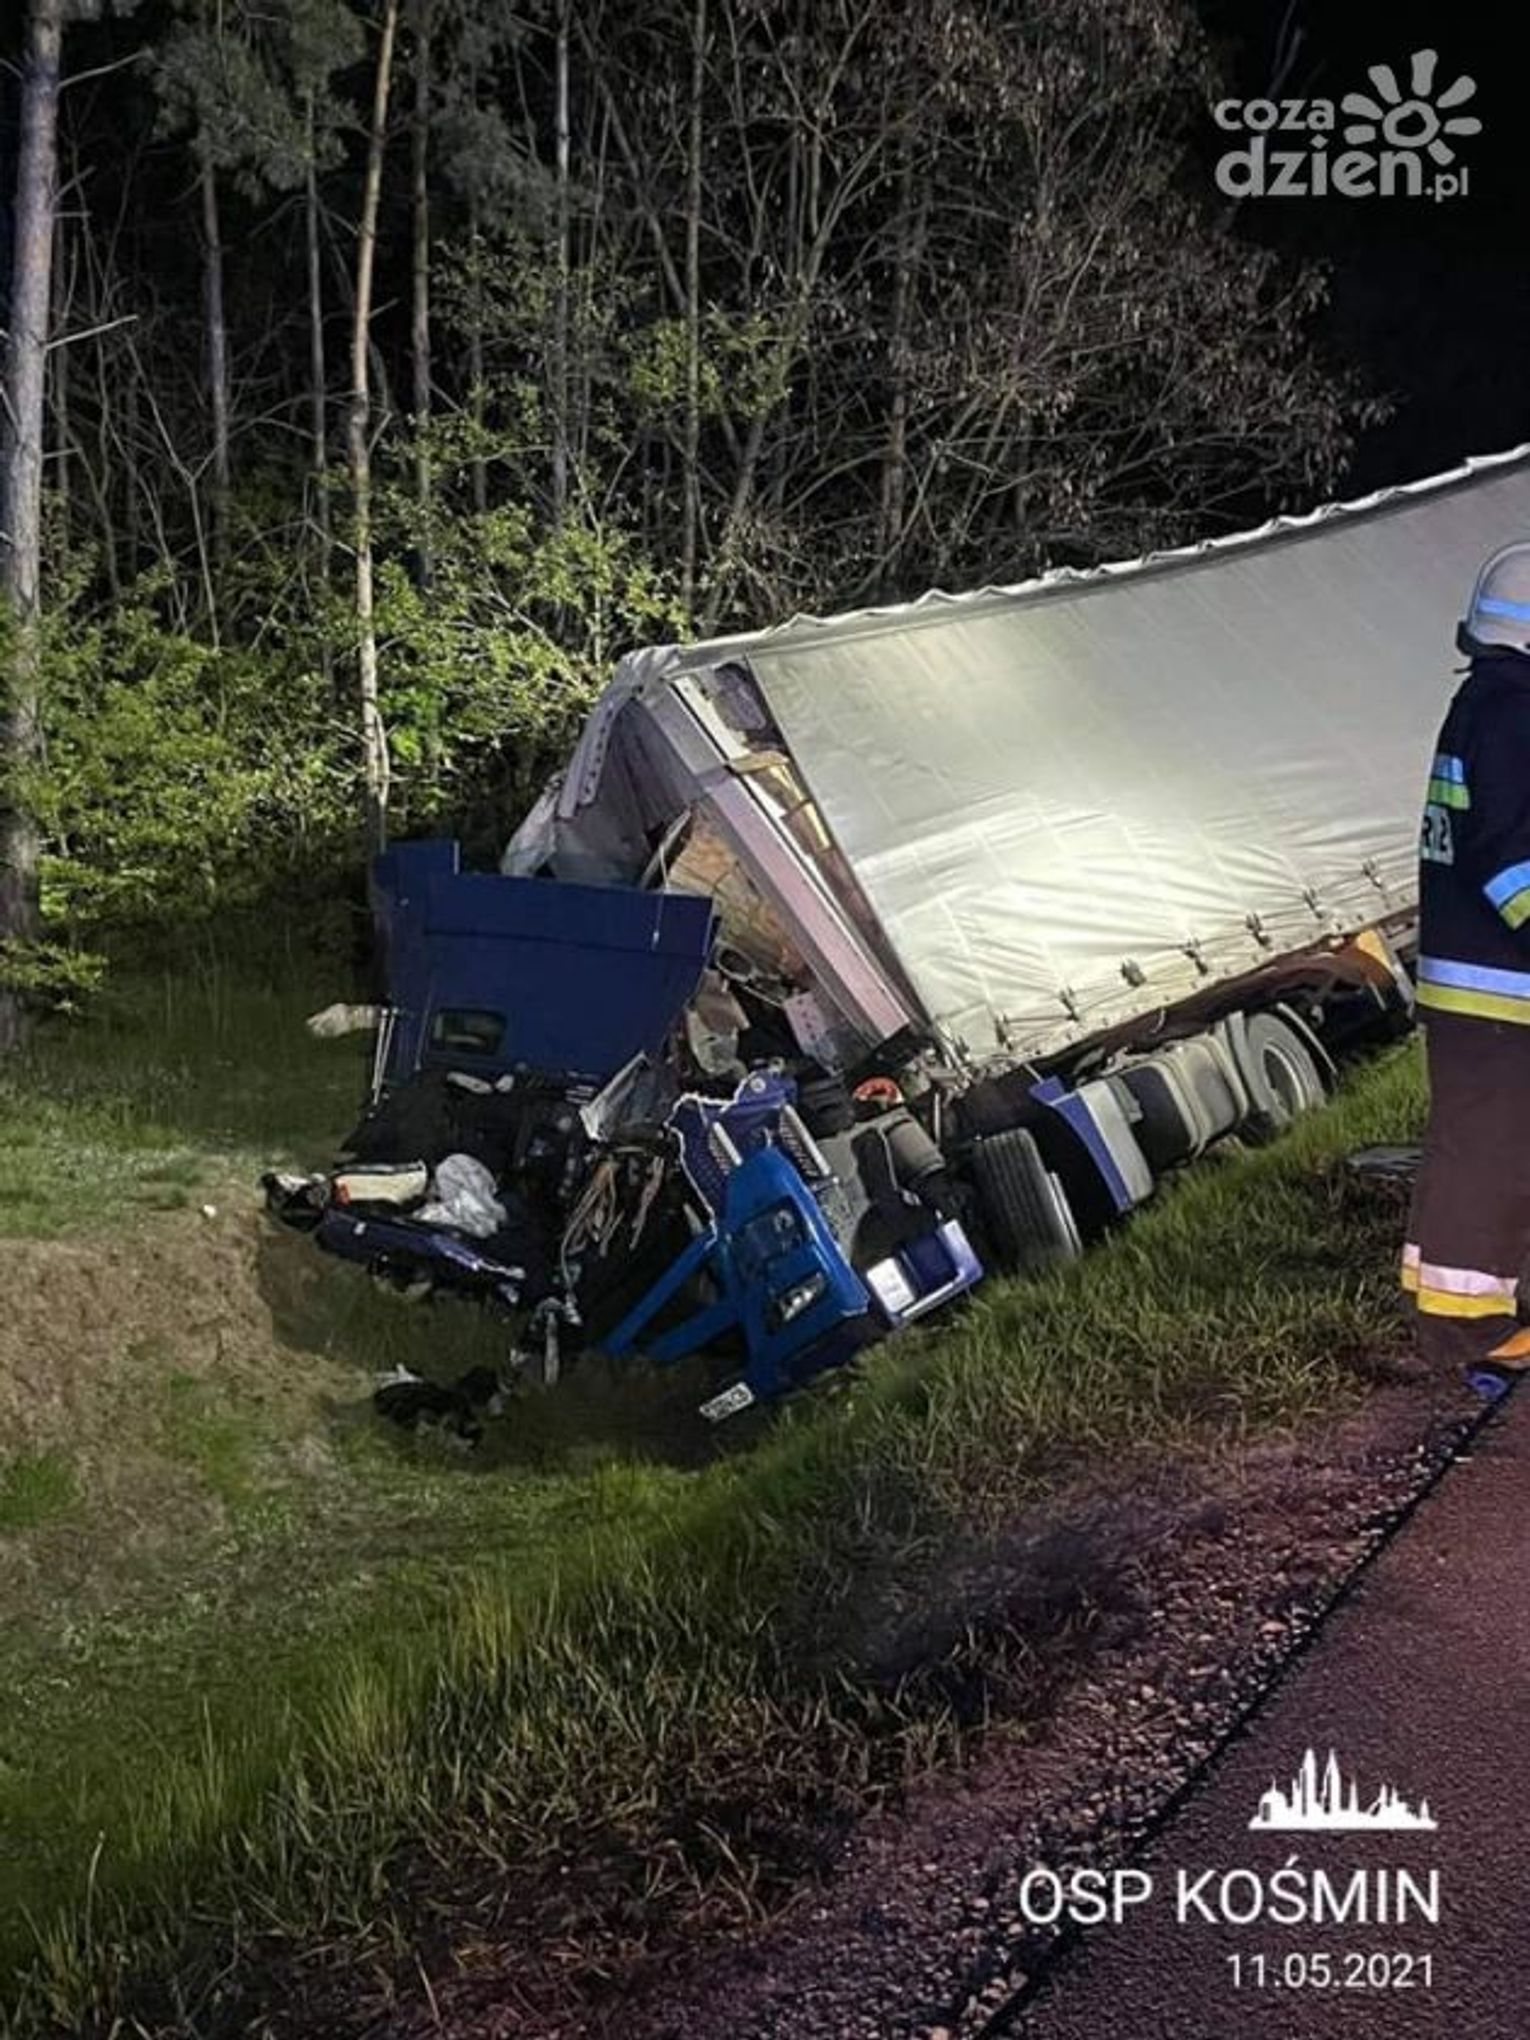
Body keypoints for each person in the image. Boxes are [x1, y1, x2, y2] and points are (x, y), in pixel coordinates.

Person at [1406, 542, 1530, 1393]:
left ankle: (1462, 1303)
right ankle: (1465, 1326)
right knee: (1490, 1158)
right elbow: (1512, 857)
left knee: (1480, 1150)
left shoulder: (1485, 705)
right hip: (1498, 991)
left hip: (1476, 988)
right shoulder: (1514, 715)